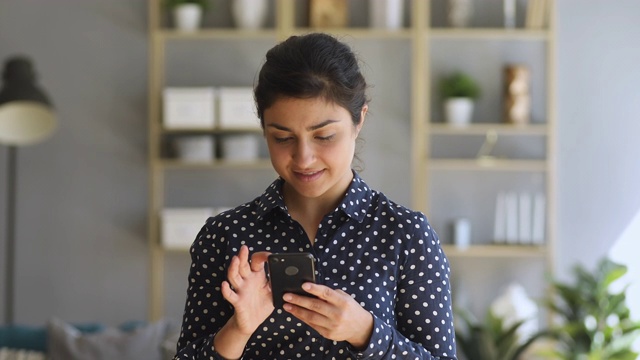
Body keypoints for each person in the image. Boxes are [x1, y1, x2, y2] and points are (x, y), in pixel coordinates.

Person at [174, 32, 456, 360]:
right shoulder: (224, 236)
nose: (304, 158)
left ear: (358, 120)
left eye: (323, 136)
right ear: (264, 129)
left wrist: (366, 332)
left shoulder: (406, 235)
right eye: (282, 138)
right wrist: (238, 329)